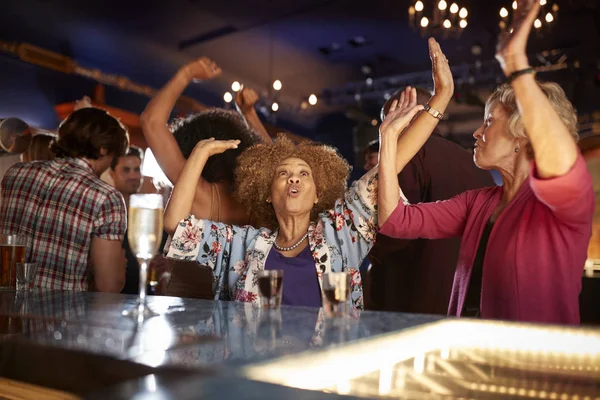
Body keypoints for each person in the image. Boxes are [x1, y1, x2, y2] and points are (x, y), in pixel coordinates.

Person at [377, 1, 593, 325]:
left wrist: (516, 64)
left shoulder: (562, 203)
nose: (477, 132)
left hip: (534, 368)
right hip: (471, 355)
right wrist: (388, 139)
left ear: (522, 133)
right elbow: (395, 220)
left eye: (489, 121)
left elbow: (563, 162)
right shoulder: (478, 201)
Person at [162, 84, 422, 308]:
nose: (294, 178)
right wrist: (199, 154)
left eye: (304, 174)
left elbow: (389, 167)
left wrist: (438, 101)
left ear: (318, 193)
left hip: (326, 363)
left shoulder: (341, 234)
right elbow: (175, 224)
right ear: (267, 194)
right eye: (282, 174)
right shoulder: (242, 245)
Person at [366, 88, 495, 314]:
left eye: (390, 120)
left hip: (412, 295)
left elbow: (393, 230)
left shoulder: (410, 157)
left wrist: (361, 247)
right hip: (465, 298)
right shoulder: (475, 164)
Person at [0, 107, 129, 292]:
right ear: (103, 149)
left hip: (7, 312)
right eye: (113, 157)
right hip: (61, 316)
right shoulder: (106, 197)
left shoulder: (16, 173)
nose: (110, 165)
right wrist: (120, 268)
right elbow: (108, 286)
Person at [141, 58, 268, 226]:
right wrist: (249, 113)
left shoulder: (199, 193)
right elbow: (276, 156)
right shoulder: (260, 198)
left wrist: (186, 74)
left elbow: (151, 122)